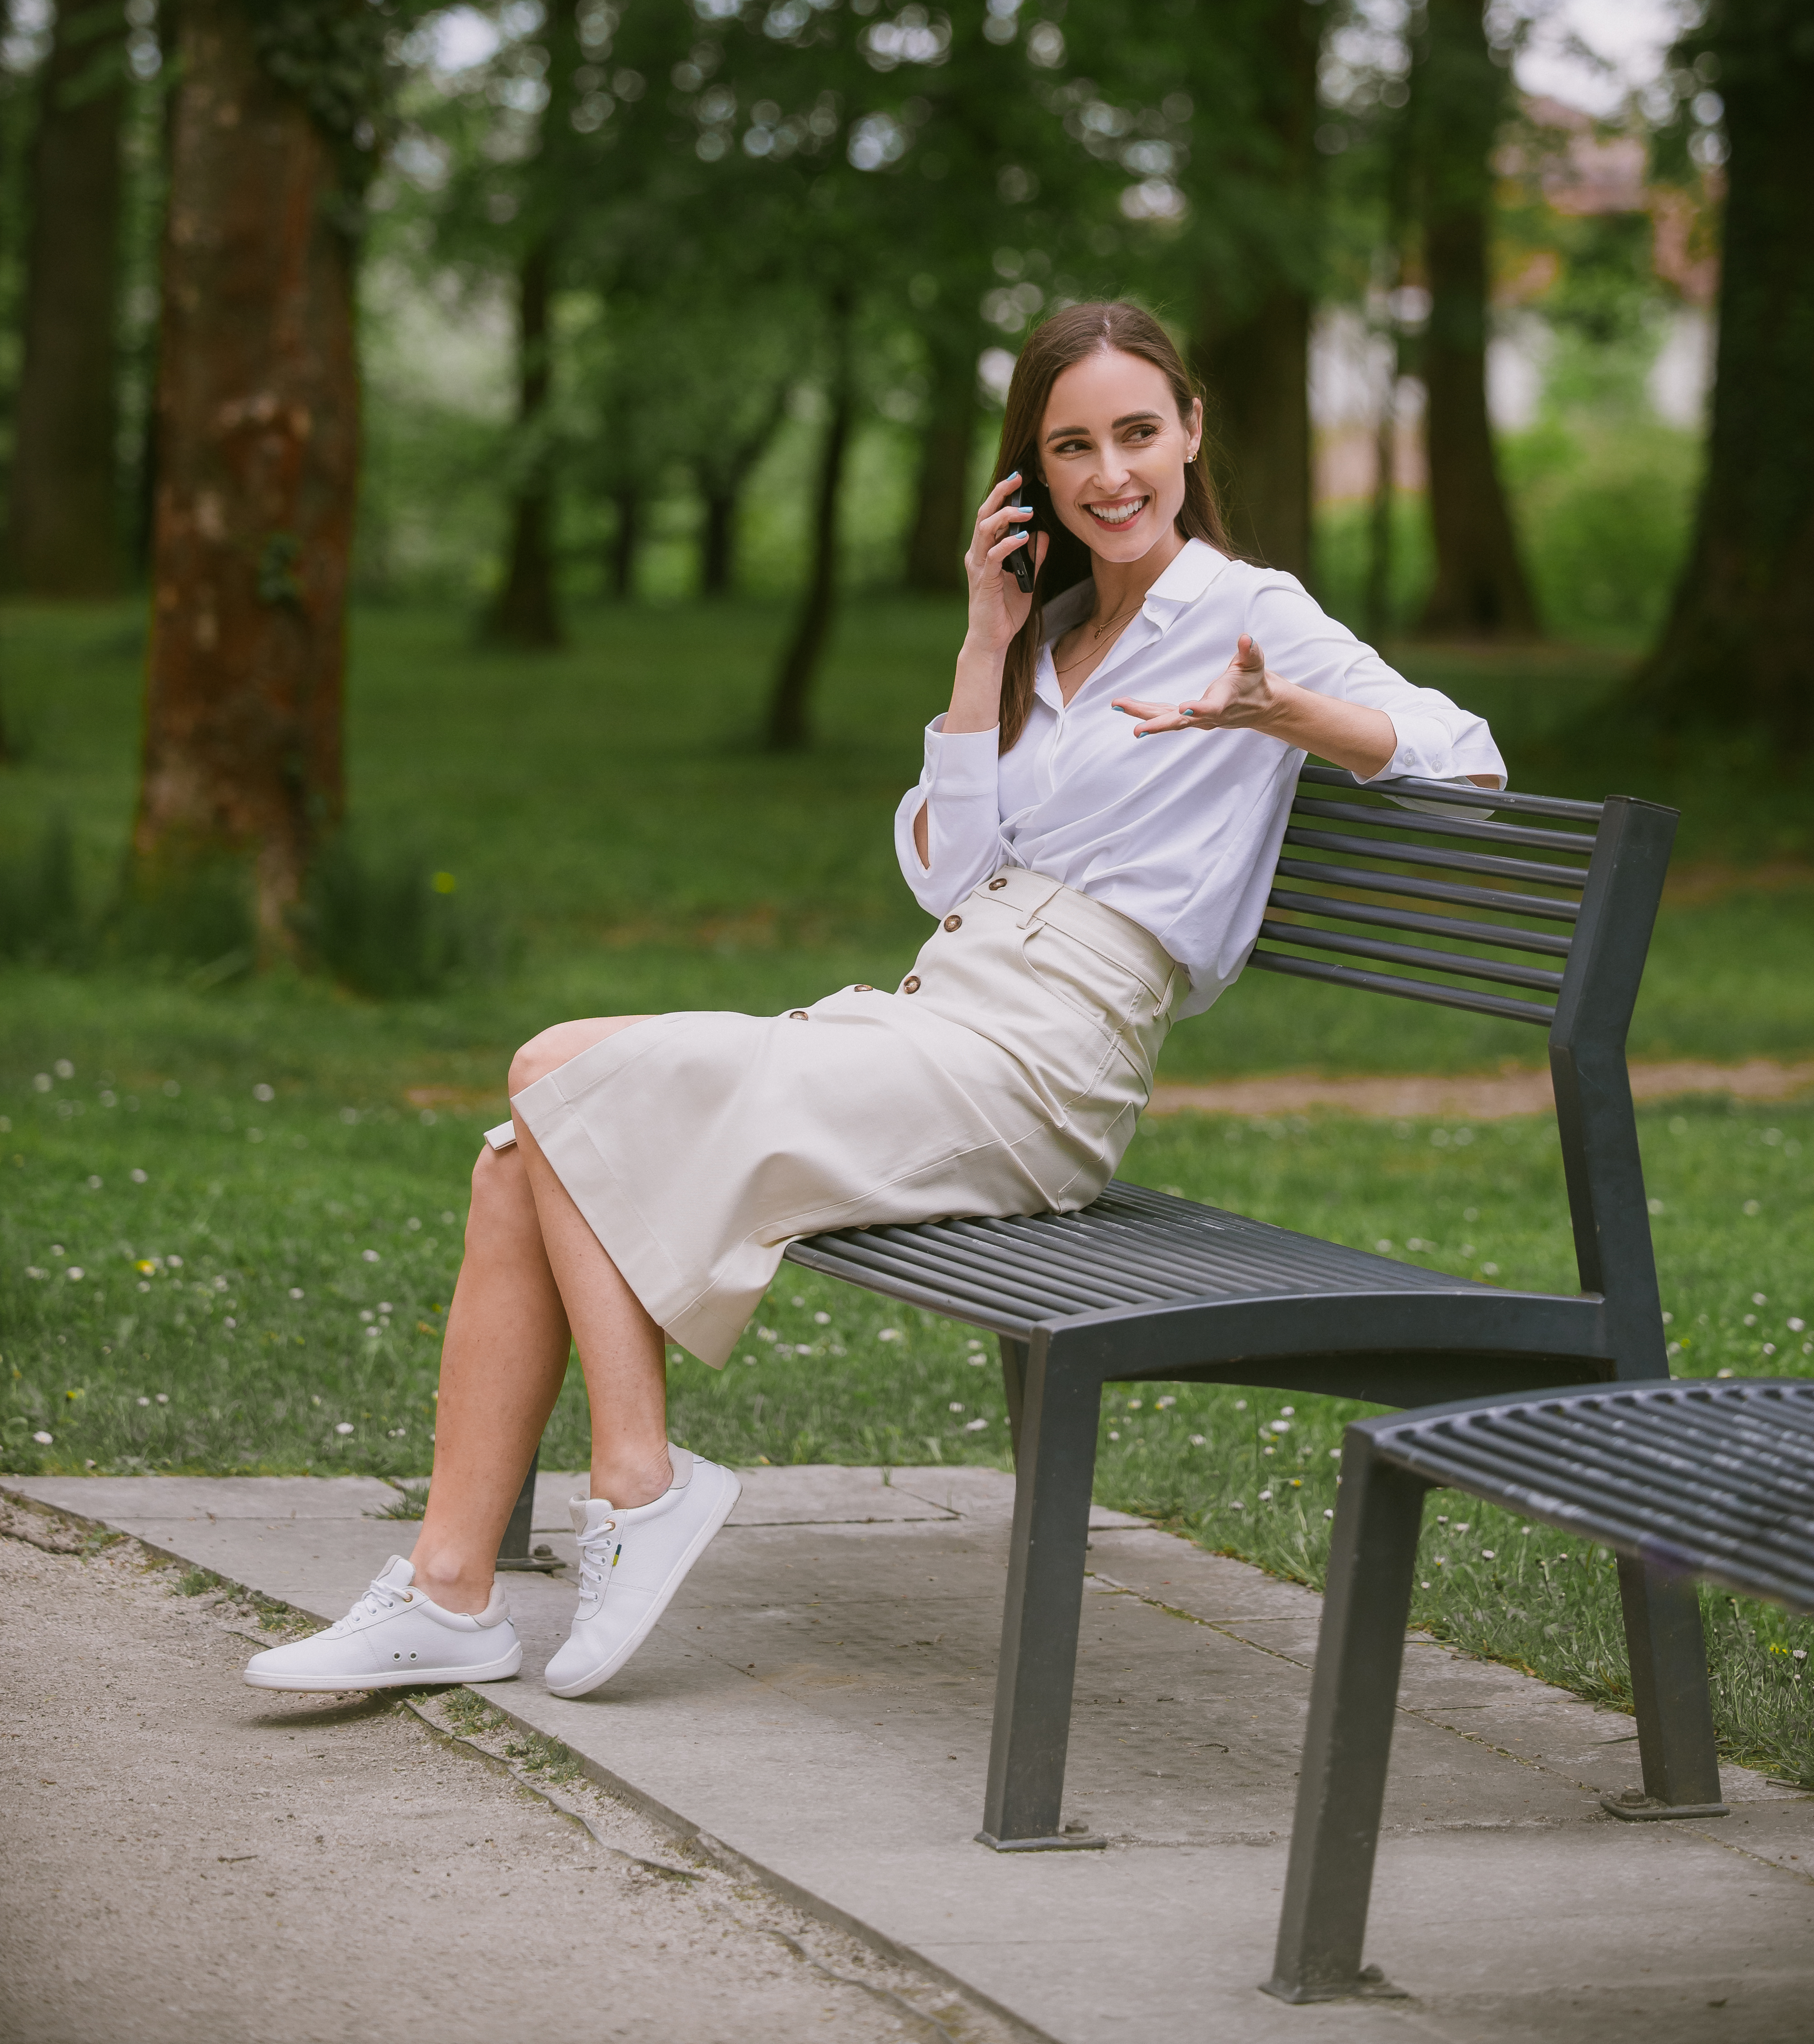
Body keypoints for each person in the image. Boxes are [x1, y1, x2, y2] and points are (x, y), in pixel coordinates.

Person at [246, 299, 1503, 1703]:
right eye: (1072, 446)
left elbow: (1467, 759)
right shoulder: (1048, 634)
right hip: (939, 1008)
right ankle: (450, 1594)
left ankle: (640, 1483)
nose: (1111, 477)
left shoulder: (1249, 611)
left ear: (1192, 430)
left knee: (552, 1077)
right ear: (1031, 470)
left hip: (1047, 1064)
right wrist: (984, 642)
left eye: (1139, 434)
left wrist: (1288, 718)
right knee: (521, 1148)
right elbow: (948, 869)